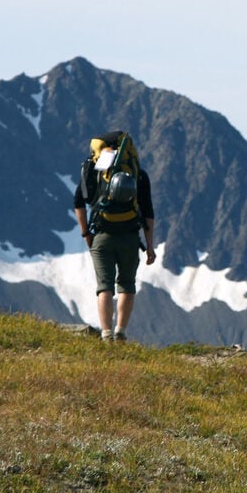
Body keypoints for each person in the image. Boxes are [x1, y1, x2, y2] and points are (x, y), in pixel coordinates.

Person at [73, 130, 156, 342]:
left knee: (105, 286)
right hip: (129, 236)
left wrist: (86, 234)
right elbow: (147, 213)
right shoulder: (138, 173)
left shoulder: (95, 170)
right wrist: (150, 246)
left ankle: (106, 333)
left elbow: (79, 203)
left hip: (102, 236)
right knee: (127, 285)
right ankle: (120, 331)